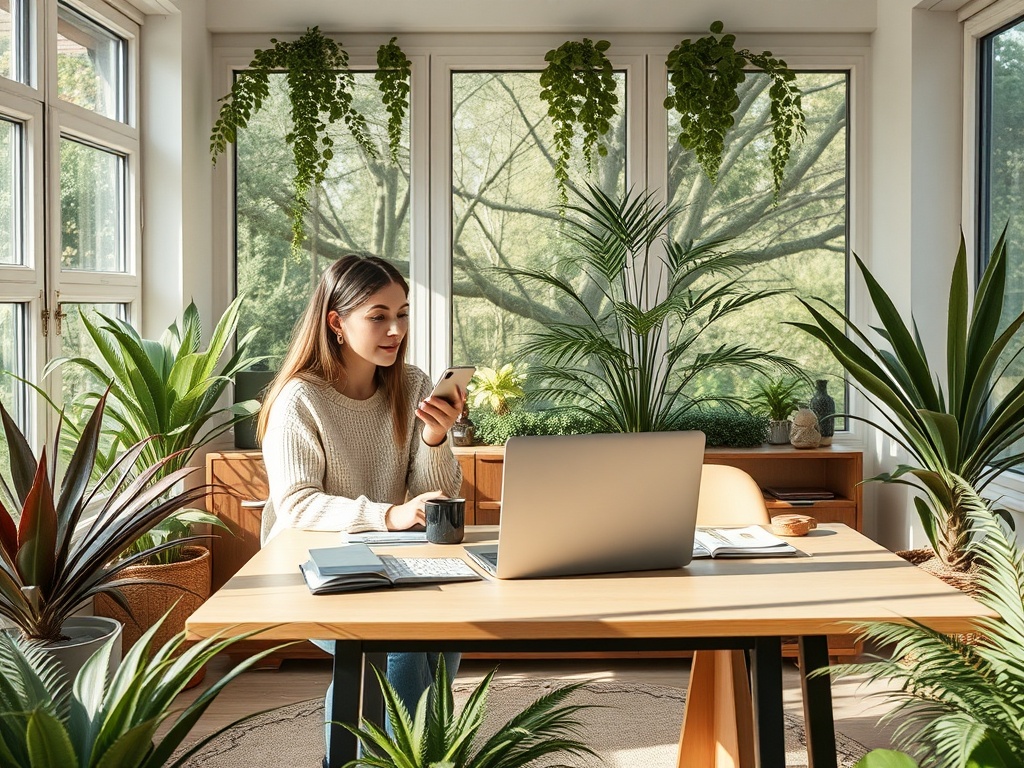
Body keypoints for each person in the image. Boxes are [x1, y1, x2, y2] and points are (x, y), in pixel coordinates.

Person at [256, 254, 464, 749]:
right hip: (310, 568)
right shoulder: (298, 400)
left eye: (403, 313)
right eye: (378, 316)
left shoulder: (409, 384)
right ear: (336, 322)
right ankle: (413, 759)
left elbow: (440, 497)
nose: (396, 329)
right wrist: (388, 514)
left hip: (391, 560)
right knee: (404, 647)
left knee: (447, 633)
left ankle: (409, 754)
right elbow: (297, 506)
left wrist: (435, 438)